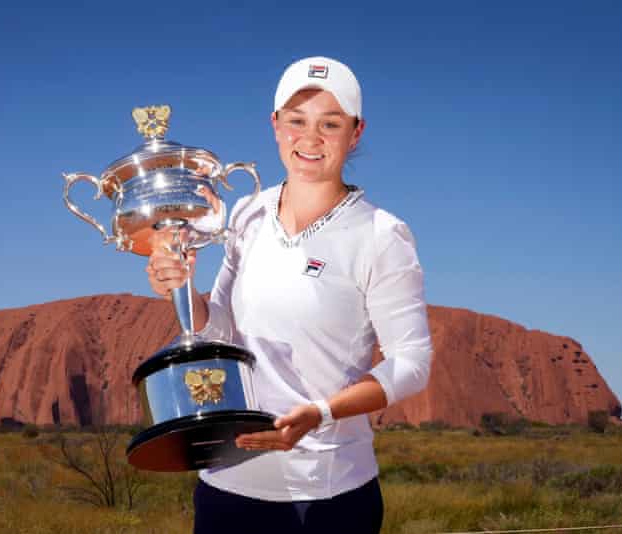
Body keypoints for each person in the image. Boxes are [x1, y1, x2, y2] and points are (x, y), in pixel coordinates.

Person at [145, 56, 433, 534]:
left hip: (325, 496)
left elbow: (412, 362)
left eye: (330, 123)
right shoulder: (247, 213)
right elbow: (219, 329)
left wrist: (320, 413)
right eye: (297, 121)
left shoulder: (381, 235)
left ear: (355, 132)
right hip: (226, 486)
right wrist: (181, 285)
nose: (311, 139)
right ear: (276, 125)